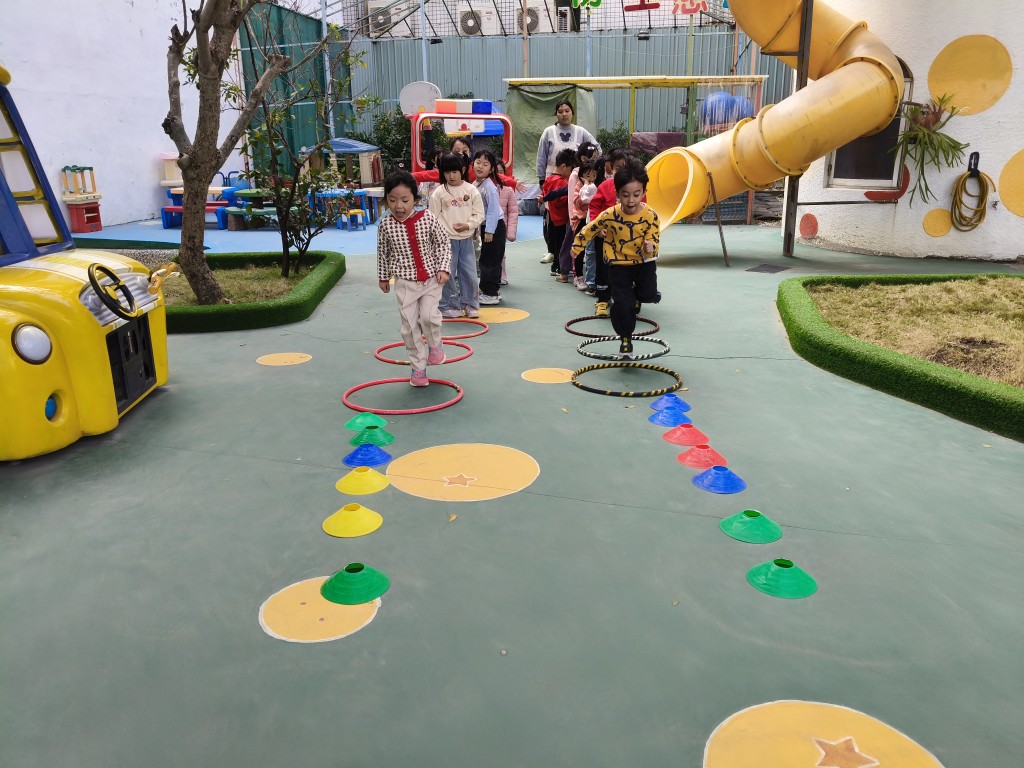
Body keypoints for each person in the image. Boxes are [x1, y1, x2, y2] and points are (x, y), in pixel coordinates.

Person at [572, 159, 660, 358]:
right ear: (617, 194)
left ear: (644, 192)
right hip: (618, 264)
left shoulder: (651, 216)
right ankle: (625, 339)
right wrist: (577, 246)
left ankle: (637, 298)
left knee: (649, 295)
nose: (631, 200)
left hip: (643, 263)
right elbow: (590, 228)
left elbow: (654, 238)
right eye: (625, 195)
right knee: (622, 304)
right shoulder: (609, 214)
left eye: (636, 194)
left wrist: (651, 246)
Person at [376, 171, 452, 387]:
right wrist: (383, 277)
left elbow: (443, 243)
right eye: (392, 200)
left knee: (428, 317)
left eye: (404, 200)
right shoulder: (385, 225)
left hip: (430, 280)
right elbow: (383, 253)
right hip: (405, 283)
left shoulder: (427, 218)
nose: (398, 206)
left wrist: (443, 268)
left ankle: (435, 346)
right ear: (386, 200)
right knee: (409, 327)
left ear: (415, 200)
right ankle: (418, 368)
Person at [429, 153, 484, 319]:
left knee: (469, 273)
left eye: (454, 172)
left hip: (466, 240)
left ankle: (470, 304)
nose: (451, 176)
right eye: (447, 172)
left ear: (463, 170)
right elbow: (432, 218)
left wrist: (468, 225)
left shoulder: (471, 190)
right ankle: (448, 305)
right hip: (445, 242)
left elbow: (479, 214)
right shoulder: (438, 192)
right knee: (446, 274)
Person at [587, 148, 635, 316]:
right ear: (611, 169)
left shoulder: (636, 188)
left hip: (628, 239)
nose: (621, 172)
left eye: (625, 168)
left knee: (627, 269)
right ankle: (602, 299)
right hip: (605, 236)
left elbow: (643, 209)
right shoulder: (605, 186)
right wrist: (598, 228)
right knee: (603, 268)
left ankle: (627, 299)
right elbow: (594, 207)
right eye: (617, 168)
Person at [557, 141, 600, 285]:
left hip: (592, 217)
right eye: (593, 156)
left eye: (596, 156)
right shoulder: (577, 175)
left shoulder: (595, 173)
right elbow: (572, 199)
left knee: (586, 246)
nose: (595, 159)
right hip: (578, 216)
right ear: (583, 158)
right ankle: (568, 272)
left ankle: (585, 274)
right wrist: (572, 218)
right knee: (573, 243)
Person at [473, 150, 507, 305]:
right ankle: (493, 290)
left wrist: (489, 231)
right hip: (487, 227)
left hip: (494, 227)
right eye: (478, 162)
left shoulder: (489, 186)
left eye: (485, 164)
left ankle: (490, 293)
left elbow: (493, 209)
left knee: (489, 260)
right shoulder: (476, 184)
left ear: (491, 169)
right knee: (489, 258)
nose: (480, 166)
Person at [541, 148, 575, 278]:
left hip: (553, 216)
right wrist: (571, 197)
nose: (570, 172)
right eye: (570, 169)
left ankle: (556, 266)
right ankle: (558, 267)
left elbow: (546, 194)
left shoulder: (549, 179)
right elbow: (558, 200)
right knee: (561, 245)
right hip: (560, 217)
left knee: (557, 244)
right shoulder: (559, 181)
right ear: (564, 166)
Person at [495, 158, 519, 286]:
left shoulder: (508, 190)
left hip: (501, 227)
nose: (499, 175)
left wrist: (511, 232)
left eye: (501, 172)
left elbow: (513, 212)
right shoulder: (483, 187)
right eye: (496, 172)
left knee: (500, 252)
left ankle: (502, 274)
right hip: (486, 226)